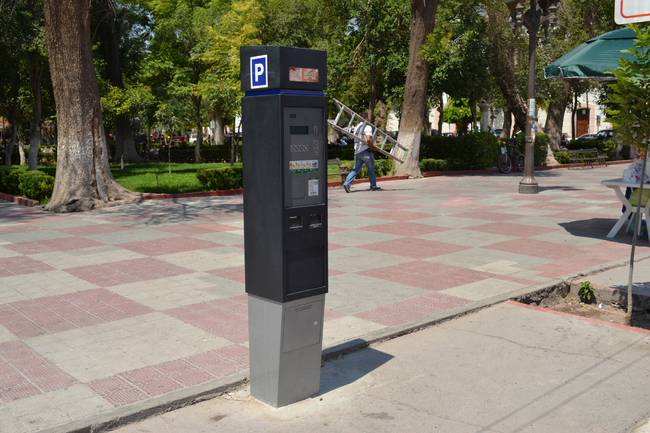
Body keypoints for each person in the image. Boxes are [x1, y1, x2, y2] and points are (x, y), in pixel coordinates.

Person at [343, 111, 382, 193]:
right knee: (371, 169)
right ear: (366, 118)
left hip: (357, 152)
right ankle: (373, 186)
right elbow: (368, 139)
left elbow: (354, 139)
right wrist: (373, 148)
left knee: (355, 169)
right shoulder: (368, 127)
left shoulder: (357, 127)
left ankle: (347, 183)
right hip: (365, 151)